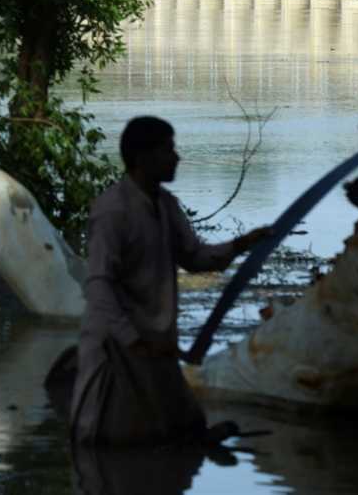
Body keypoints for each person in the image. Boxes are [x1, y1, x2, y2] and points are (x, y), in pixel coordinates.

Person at [68, 116, 270, 445]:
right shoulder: (112, 210)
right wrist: (132, 340)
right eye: (169, 150)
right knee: (100, 441)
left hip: (155, 343)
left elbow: (195, 258)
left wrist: (241, 244)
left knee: (177, 431)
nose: (177, 157)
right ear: (142, 157)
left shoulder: (166, 206)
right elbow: (98, 285)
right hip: (115, 345)